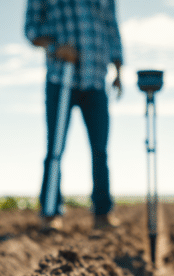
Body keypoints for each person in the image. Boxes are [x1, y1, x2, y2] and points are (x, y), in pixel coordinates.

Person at [25, 0, 124, 231]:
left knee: (100, 150)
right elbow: (31, 29)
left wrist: (118, 70)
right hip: (60, 78)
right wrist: (56, 47)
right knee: (55, 148)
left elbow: (112, 27)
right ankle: (50, 211)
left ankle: (102, 212)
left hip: (96, 78)